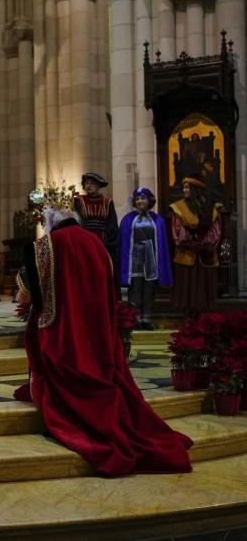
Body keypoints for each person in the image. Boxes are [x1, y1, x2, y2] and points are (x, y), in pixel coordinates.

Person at [14, 194, 192, 477]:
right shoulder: (96, 245)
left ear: (50, 224)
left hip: (64, 340)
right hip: (97, 338)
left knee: (63, 378)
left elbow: (29, 289)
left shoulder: (46, 245)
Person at [118, 188, 173, 329]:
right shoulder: (127, 219)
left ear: (149, 201)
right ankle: (135, 319)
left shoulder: (157, 219)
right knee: (135, 288)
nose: (140, 201)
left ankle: (147, 319)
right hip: (134, 257)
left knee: (149, 288)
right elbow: (123, 242)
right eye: (137, 199)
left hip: (150, 258)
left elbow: (161, 243)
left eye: (143, 198)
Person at [169, 175, 224, 314]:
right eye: (184, 187)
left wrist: (205, 243)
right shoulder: (179, 207)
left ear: (196, 190)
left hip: (206, 254)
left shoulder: (212, 207)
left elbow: (216, 230)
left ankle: (205, 319)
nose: (184, 190)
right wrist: (190, 242)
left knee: (204, 289)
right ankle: (188, 319)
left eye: (187, 188)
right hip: (187, 254)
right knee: (188, 288)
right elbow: (177, 229)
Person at [74, 172, 120, 296]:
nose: (89, 185)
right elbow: (77, 222)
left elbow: (112, 224)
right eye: (86, 183)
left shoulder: (108, 202)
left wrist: (107, 244)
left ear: (99, 185)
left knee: (104, 270)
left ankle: (105, 296)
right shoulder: (79, 201)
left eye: (92, 183)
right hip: (84, 241)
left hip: (103, 241)